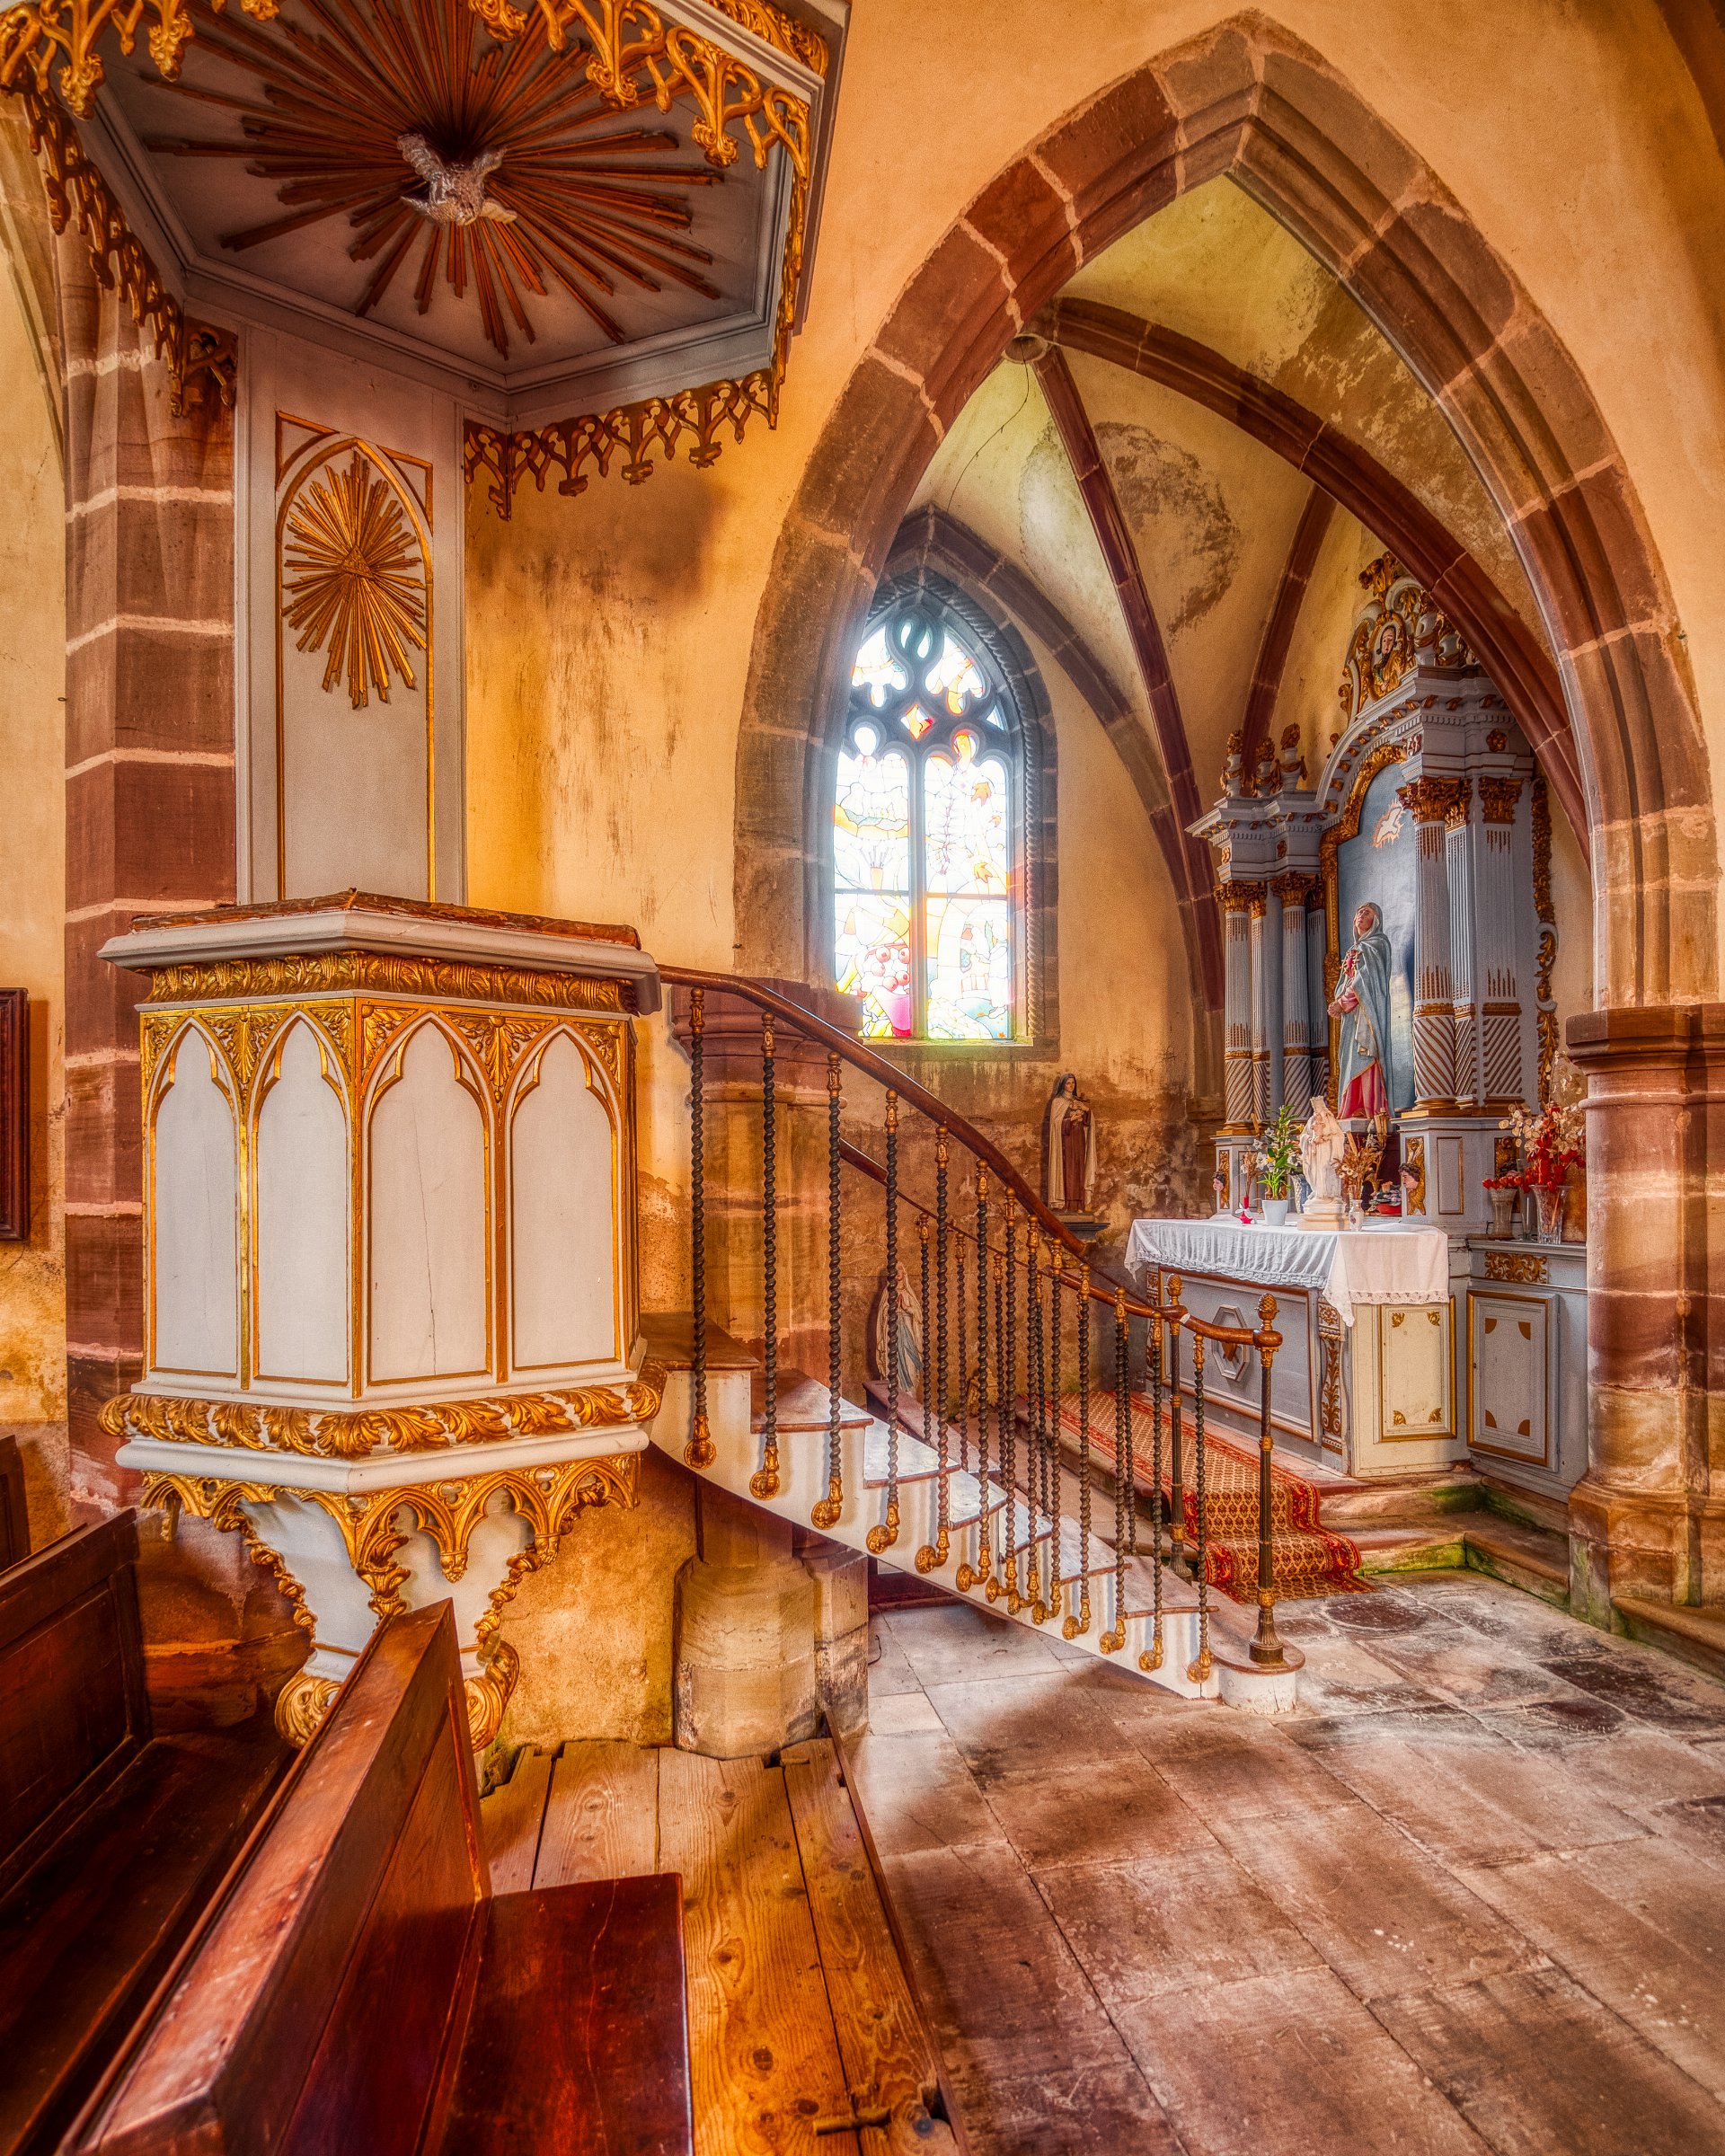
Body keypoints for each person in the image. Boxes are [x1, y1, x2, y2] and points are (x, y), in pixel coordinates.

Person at [1328, 901, 1393, 1119]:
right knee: (1349, 1060)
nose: (1360, 915)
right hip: (1352, 1016)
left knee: (1367, 1056)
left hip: (1368, 1014)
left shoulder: (1377, 945)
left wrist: (1343, 1002)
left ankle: (1371, 1109)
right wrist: (1340, 1000)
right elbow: (1346, 982)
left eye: (1366, 912)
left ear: (1375, 921)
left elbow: (1365, 980)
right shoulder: (1354, 950)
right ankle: (1352, 1107)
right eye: (1358, 912)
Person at [1044, 1073, 1096, 1212]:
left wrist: (1086, 1111)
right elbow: (1056, 1124)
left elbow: (1088, 1122)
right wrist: (1071, 1120)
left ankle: (1080, 1204)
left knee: (1079, 1170)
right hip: (1065, 1143)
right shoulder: (1057, 1102)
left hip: (1079, 1140)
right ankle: (1066, 1204)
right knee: (1069, 1172)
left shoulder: (1077, 1101)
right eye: (1068, 1083)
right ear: (1063, 1085)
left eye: (1073, 1083)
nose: (1071, 1085)